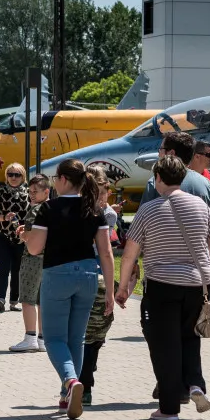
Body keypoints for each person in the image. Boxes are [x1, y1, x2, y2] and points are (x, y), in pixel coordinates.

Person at [117, 155, 210, 420]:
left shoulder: (149, 209)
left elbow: (130, 253)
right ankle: (196, 384)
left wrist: (122, 286)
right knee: (190, 337)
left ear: (159, 178)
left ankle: (169, 407)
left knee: (166, 345)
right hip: (198, 284)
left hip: (162, 285)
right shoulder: (200, 206)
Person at [21, 158, 115, 420]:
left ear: (62, 179)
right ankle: (66, 395)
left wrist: (26, 236)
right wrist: (108, 291)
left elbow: (34, 248)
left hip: (57, 274)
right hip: (88, 275)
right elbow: (106, 254)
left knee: (53, 339)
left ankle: (70, 381)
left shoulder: (48, 208)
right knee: (76, 339)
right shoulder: (95, 210)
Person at [77, 166, 119, 406]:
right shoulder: (80, 211)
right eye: (96, 191)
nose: (101, 197)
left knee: (97, 333)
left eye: (104, 192)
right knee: (82, 333)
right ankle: (82, 381)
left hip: (100, 277)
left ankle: (86, 376)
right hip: (82, 275)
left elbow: (107, 252)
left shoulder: (108, 215)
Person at [8, 174, 51, 353]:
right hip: (48, 260)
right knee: (42, 301)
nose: (31, 195)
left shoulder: (35, 211)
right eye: (30, 192)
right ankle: (42, 338)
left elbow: (31, 237)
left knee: (27, 299)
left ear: (46, 191)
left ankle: (30, 337)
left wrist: (22, 234)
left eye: (35, 192)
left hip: (33, 259)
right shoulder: (52, 208)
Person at [139, 132, 210, 214]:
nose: (159, 154)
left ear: (171, 153)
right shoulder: (205, 183)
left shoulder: (155, 182)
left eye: (161, 149)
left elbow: (143, 220)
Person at [0, 163, 30, 313]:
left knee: (18, 270)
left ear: (23, 176)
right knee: (3, 268)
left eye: (17, 175)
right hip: (3, 236)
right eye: (10, 174)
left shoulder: (29, 193)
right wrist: (4, 217)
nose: (13, 177)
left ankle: (14, 301)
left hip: (21, 237)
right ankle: (0, 299)